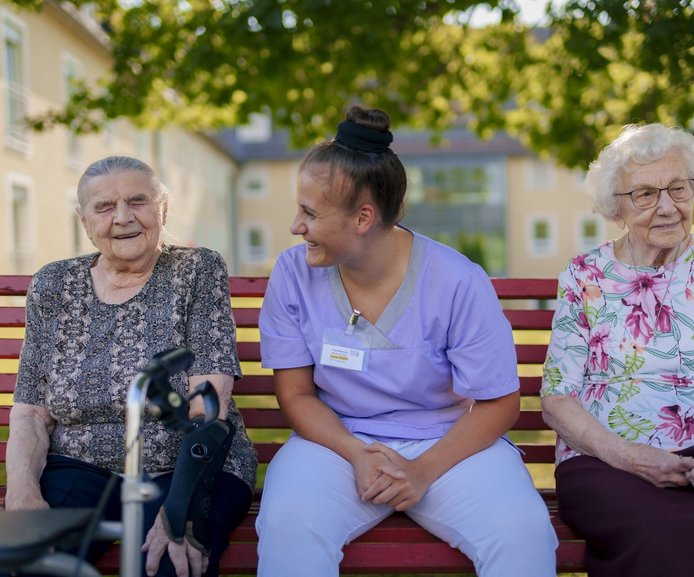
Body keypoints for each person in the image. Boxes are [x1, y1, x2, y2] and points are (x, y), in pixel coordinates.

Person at [255, 106, 558, 577]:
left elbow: (500, 403)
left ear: (363, 217)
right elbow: (295, 394)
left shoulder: (457, 281)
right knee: (289, 525)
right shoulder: (293, 275)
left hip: (449, 445)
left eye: (310, 213)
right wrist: (356, 453)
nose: (296, 226)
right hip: (336, 444)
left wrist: (422, 471)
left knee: (523, 533)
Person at [5, 156, 257, 577]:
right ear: (85, 221)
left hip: (185, 465)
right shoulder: (53, 284)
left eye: (138, 201)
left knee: (169, 564)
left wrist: (181, 510)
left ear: (163, 210)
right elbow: (31, 411)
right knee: (25, 563)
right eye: (104, 207)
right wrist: (22, 491)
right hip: (80, 465)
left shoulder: (196, 270)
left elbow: (206, 409)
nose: (123, 218)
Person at [541, 123, 694, 577]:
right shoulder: (585, 275)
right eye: (645, 194)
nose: (667, 207)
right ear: (616, 208)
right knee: (657, 533)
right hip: (606, 461)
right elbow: (557, 398)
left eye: (678, 189)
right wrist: (630, 457)